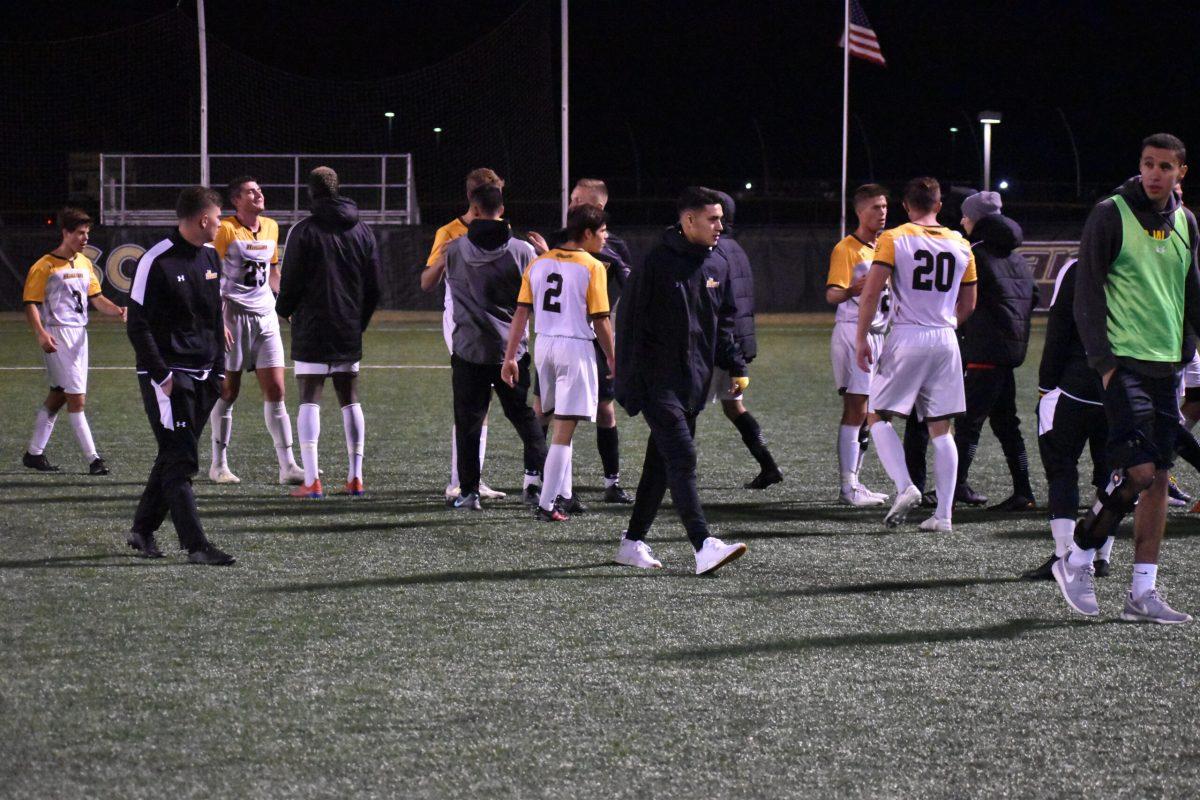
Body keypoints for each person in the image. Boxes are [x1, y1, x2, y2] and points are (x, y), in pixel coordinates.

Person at [1055, 133, 1198, 623]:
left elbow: (1192, 294)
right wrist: (1106, 364)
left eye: (1164, 166)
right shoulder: (1109, 213)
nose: (1154, 174)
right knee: (1137, 473)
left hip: (1167, 368)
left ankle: (1142, 593)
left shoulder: (1185, 222)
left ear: (1182, 172)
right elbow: (1086, 295)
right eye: (1147, 164)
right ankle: (1076, 556)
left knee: (1157, 479)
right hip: (1124, 366)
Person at [613, 186, 748, 575]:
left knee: (660, 464)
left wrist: (735, 364)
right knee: (684, 457)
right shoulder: (655, 262)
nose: (721, 225)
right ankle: (703, 545)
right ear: (688, 220)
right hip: (656, 382)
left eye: (721, 218)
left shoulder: (717, 263)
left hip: (694, 382)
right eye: (713, 219)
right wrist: (628, 382)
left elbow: (723, 322)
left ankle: (631, 542)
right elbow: (630, 323)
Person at [855, 177, 978, 532]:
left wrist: (862, 338)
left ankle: (905, 486)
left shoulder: (894, 237)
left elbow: (870, 294)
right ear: (939, 205)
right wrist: (943, 323)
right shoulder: (961, 243)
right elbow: (968, 304)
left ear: (906, 206)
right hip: (945, 337)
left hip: (907, 335)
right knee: (942, 429)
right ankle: (943, 516)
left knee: (876, 415)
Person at [125, 186, 235, 565]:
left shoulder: (209, 257)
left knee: (174, 456)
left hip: (204, 375)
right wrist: (162, 376)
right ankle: (196, 546)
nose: (221, 224)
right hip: (171, 376)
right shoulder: (155, 260)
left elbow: (213, 318)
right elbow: (136, 325)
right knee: (182, 459)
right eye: (219, 218)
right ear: (203, 219)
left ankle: (142, 529)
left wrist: (219, 371)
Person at [503, 203, 615, 521]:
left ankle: (564, 495)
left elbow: (521, 312)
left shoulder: (539, 262)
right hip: (574, 347)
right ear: (588, 232)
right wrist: (612, 356)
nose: (606, 238)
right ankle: (547, 504)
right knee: (564, 431)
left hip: (544, 346)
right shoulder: (592, 267)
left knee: (554, 422)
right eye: (603, 231)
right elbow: (601, 320)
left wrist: (510, 356)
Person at [276, 167, 381, 499]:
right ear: (338, 189)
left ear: (311, 193)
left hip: (311, 325)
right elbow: (375, 287)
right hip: (348, 326)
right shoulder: (362, 229)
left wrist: (284, 311)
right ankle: (355, 478)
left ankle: (312, 481)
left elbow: (289, 281)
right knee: (350, 398)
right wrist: (357, 321)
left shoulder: (302, 230)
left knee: (309, 396)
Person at [528, 178, 635, 504]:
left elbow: (623, 288)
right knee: (544, 410)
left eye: (578, 200)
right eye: (572, 198)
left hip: (594, 340)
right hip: (563, 337)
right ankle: (534, 480)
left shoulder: (611, 246)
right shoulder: (563, 241)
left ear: (598, 207)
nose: (572, 204)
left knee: (605, 409)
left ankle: (611, 482)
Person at [443, 183, 546, 510]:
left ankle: (469, 491)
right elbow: (530, 300)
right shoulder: (522, 250)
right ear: (501, 209)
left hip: (469, 349)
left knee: (468, 422)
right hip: (510, 351)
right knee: (526, 420)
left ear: (473, 209)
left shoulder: (454, 250)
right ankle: (544, 486)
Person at [207, 176, 305, 486]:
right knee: (228, 391)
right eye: (251, 191)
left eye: (259, 189)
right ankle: (218, 464)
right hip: (233, 316)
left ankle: (288, 465)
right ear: (236, 200)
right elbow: (209, 275)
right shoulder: (225, 229)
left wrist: (287, 305)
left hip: (265, 317)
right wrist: (217, 320)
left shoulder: (272, 227)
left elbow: (272, 273)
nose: (259, 193)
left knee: (276, 390)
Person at [1021, 259, 1114, 581]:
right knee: (1112, 475)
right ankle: (1101, 555)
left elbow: (1060, 326)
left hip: (1075, 386)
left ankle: (1064, 555)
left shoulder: (1078, 268)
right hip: (1122, 387)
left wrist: (1046, 386)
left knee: (1061, 469)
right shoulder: (1143, 266)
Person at [420, 168, 507, 505]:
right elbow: (427, 281)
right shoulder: (450, 232)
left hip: (495, 320)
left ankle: (471, 479)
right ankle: (460, 481)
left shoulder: (501, 227)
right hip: (462, 320)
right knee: (473, 401)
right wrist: (448, 254)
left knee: (481, 403)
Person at [22, 207, 125, 475]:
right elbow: (31, 304)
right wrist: (41, 334)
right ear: (65, 233)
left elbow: (96, 298)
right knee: (77, 400)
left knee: (58, 395)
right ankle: (94, 460)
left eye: (87, 233)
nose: (85, 238)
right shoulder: (44, 266)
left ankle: (33, 453)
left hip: (80, 336)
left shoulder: (83, 263)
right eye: (80, 233)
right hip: (58, 335)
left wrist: (118, 310)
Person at [953, 191, 1039, 510]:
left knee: (968, 421)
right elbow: (1034, 298)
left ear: (978, 219)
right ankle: (1024, 492)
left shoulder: (973, 253)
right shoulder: (1017, 257)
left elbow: (963, 299)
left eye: (966, 215)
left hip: (984, 350)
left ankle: (955, 487)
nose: (962, 221)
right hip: (1009, 352)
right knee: (1006, 423)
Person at [710, 190, 783, 490]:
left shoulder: (715, 251)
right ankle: (769, 466)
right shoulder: (736, 248)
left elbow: (721, 306)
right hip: (738, 343)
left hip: (722, 345)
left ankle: (673, 475)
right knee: (733, 407)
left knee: (683, 410)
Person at [826, 184, 891, 506]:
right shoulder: (847, 249)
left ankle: (855, 484)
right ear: (859, 211)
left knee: (870, 411)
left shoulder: (888, 245)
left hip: (879, 335)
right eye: (875, 208)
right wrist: (854, 288)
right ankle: (847, 487)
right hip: (855, 333)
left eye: (884, 207)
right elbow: (832, 294)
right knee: (857, 409)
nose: (882, 212)